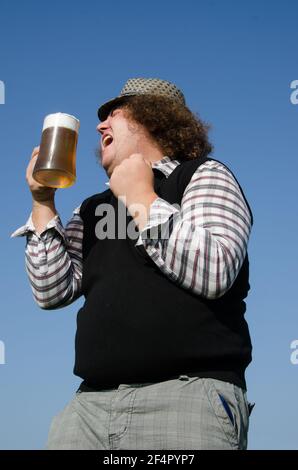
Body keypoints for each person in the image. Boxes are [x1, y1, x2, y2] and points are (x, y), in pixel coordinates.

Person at [12, 77, 253, 450]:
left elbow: (215, 271)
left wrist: (140, 197)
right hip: (88, 409)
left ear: (154, 119)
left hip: (186, 397)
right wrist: (43, 203)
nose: (99, 125)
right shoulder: (92, 208)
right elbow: (51, 291)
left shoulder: (201, 176)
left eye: (115, 114)